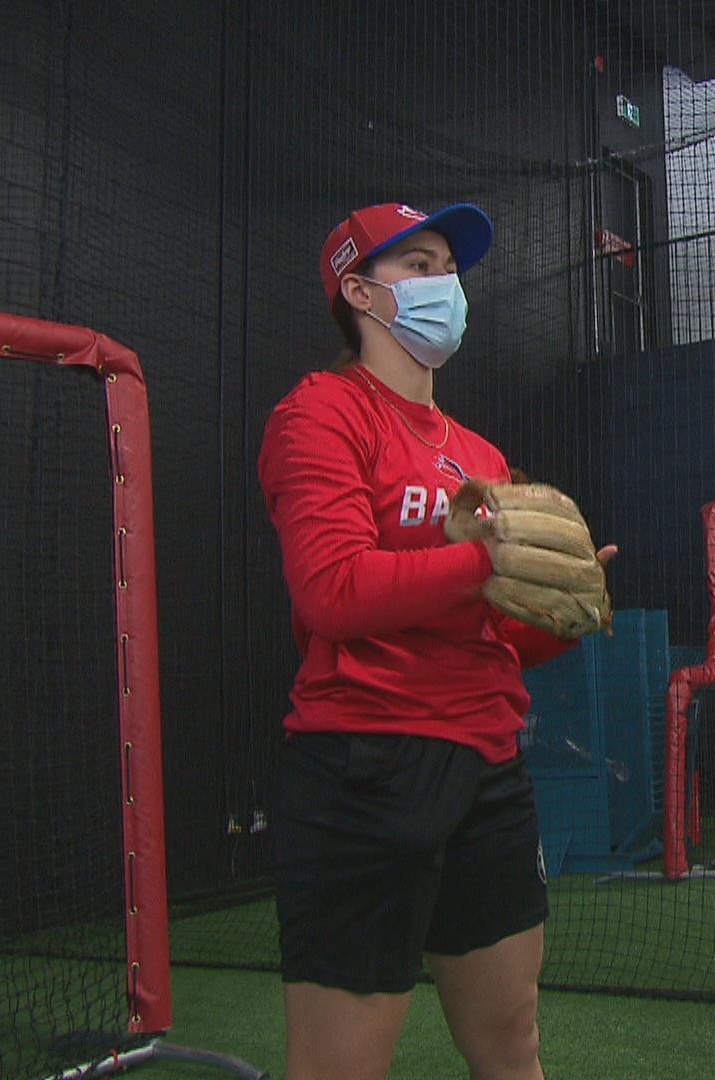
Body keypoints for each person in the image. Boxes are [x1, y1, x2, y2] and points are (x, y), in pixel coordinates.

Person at [257, 201, 615, 1080]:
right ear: (357, 292)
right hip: (363, 769)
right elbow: (332, 591)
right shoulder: (321, 414)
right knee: (340, 1069)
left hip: (487, 767)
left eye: (448, 266)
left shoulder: (477, 452)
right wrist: (480, 557)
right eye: (416, 264)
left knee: (511, 1044)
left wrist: (559, 617)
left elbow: (488, 632)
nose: (443, 283)